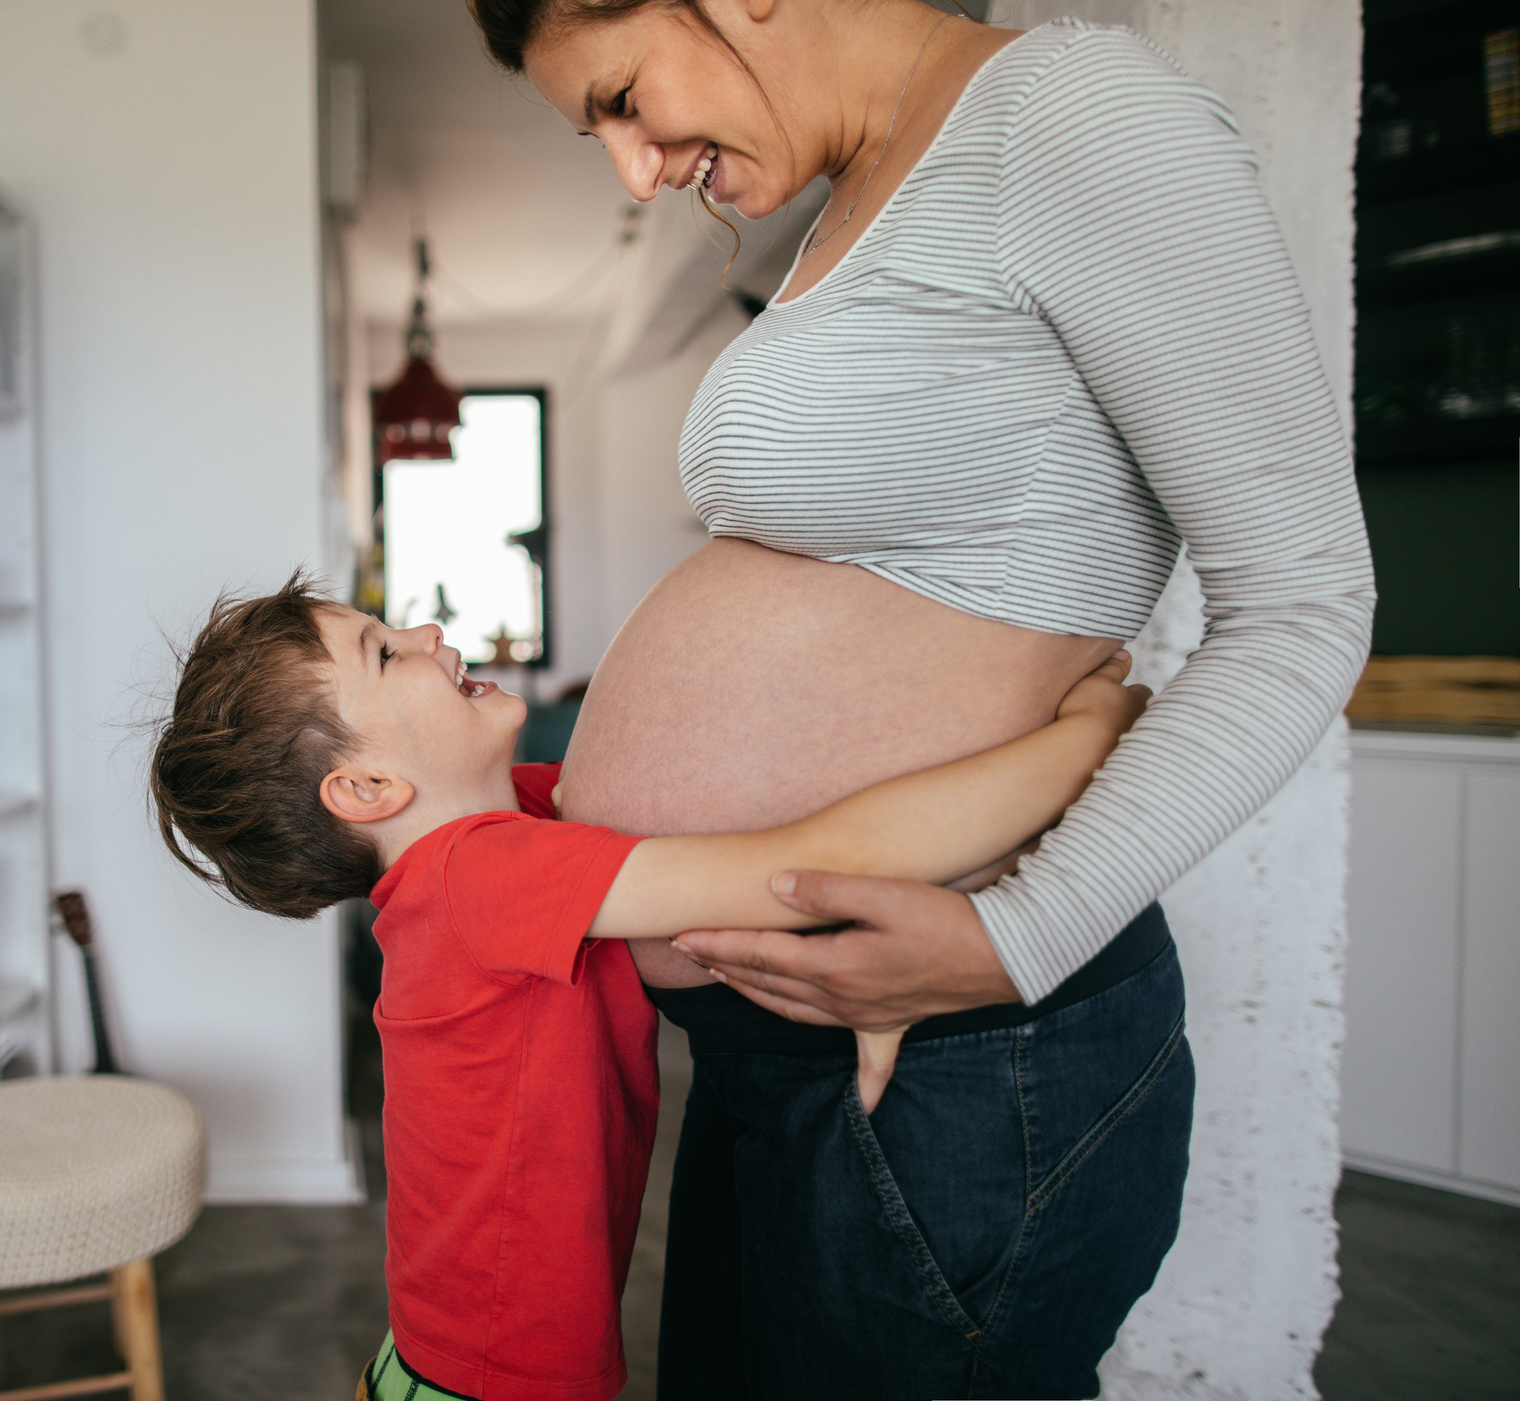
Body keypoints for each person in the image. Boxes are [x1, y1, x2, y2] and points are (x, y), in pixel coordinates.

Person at [467, 0, 1375, 1395]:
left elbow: (1306, 600)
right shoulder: (854, 197)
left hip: (951, 1055)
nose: (634, 169)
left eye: (623, 100)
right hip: (788, 1052)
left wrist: (1015, 936)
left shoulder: (1071, 117)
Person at [148, 572, 1150, 1401]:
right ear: (368, 792)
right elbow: (818, 864)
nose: (426, 630)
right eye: (383, 651)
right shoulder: (476, 880)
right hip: (492, 1381)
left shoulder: (513, 830)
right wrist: (1092, 732)